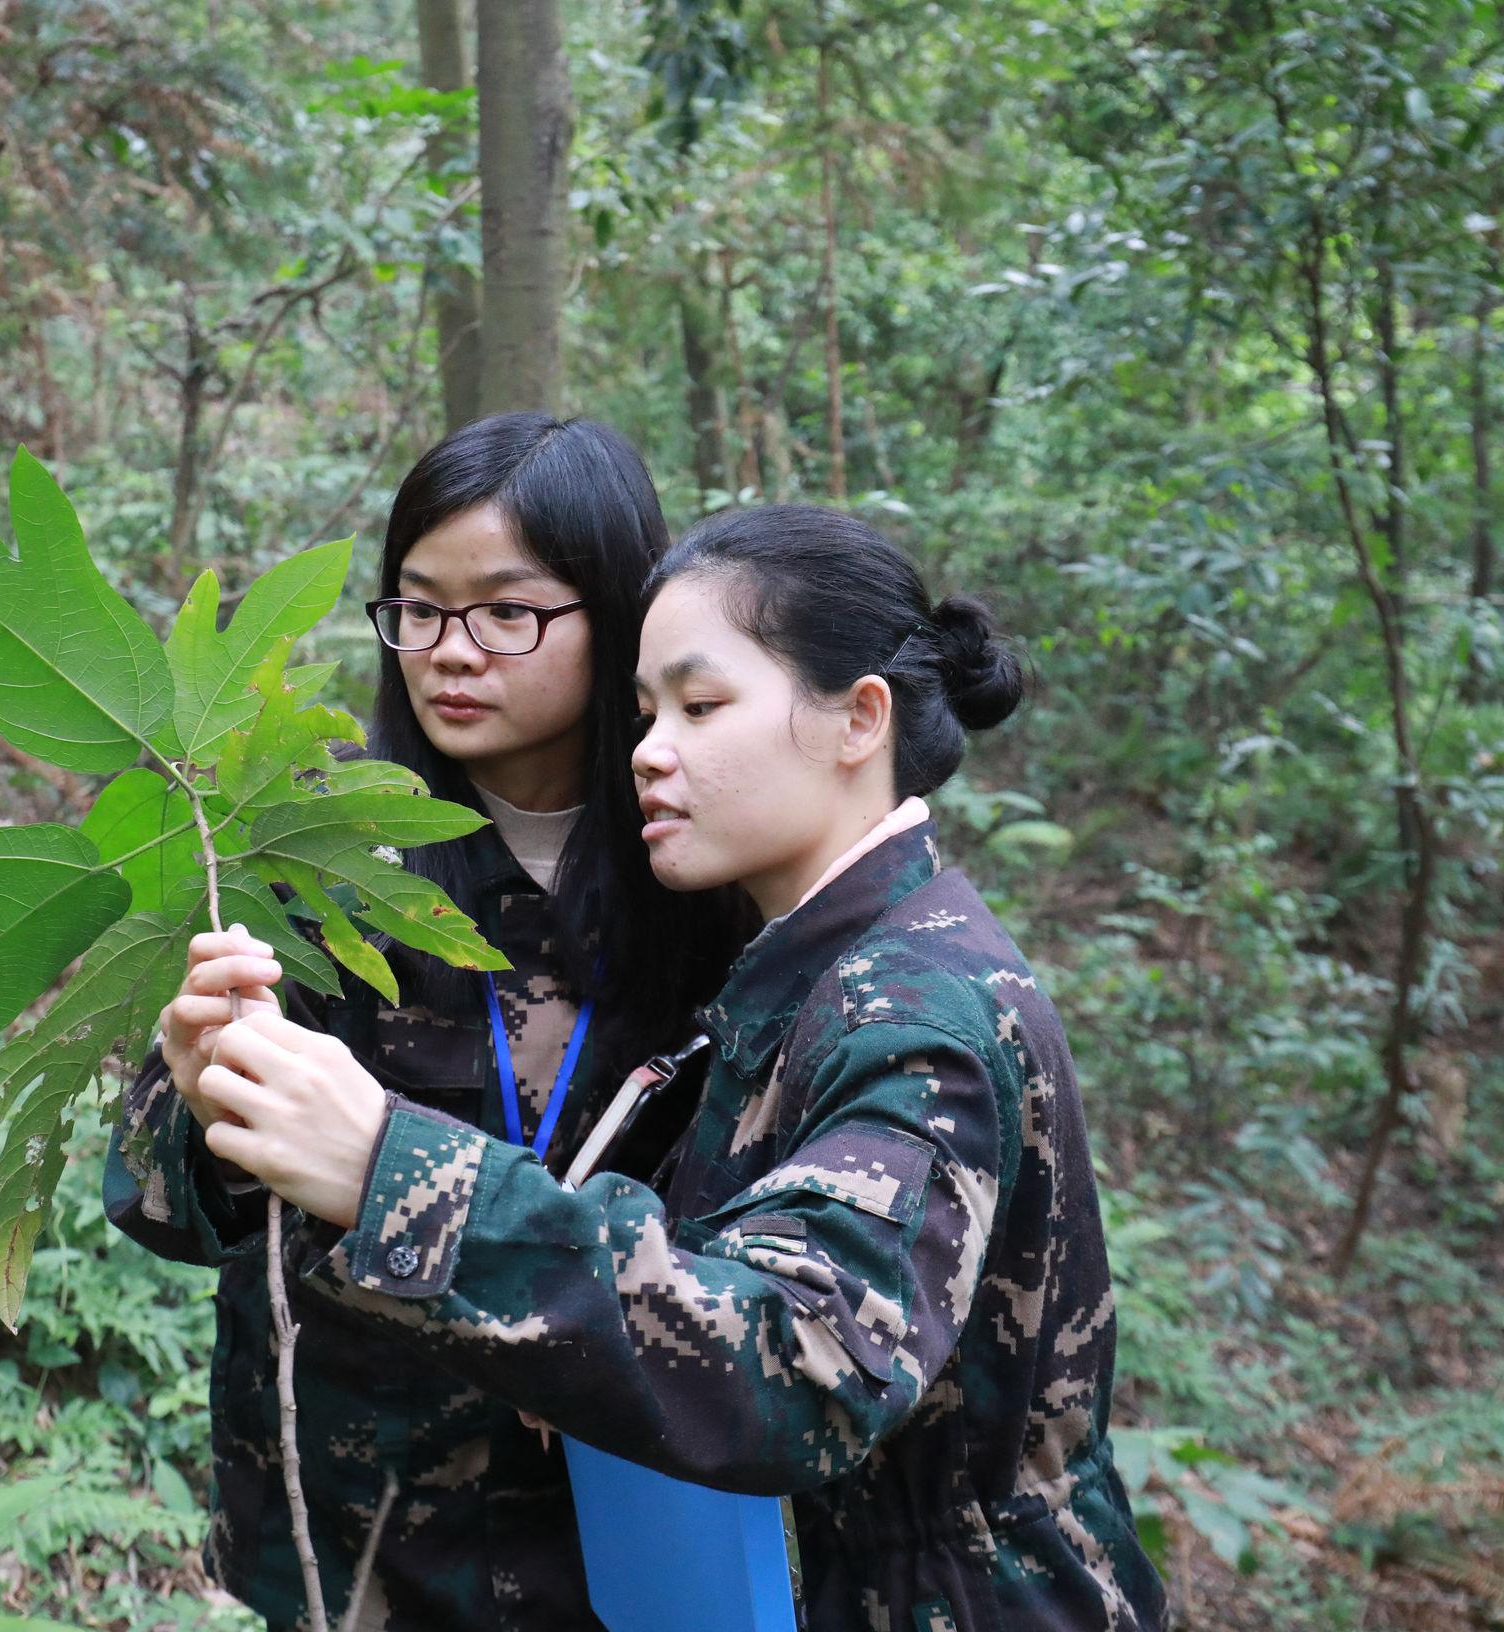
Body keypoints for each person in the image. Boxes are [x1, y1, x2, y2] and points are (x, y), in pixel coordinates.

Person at [188, 505, 1171, 1631]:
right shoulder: (802, 971)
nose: (650, 750)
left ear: (858, 720)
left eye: (701, 708)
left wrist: (390, 1170)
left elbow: (802, 1364)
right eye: (646, 710)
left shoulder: (912, 1011)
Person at [101, 413, 749, 1631]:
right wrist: (195, 1112)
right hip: (356, 1538)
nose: (451, 652)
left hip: (620, 1536)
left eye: (509, 613)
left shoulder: (714, 878)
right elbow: (154, 1209)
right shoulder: (312, 855)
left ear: (617, 614)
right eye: (417, 607)